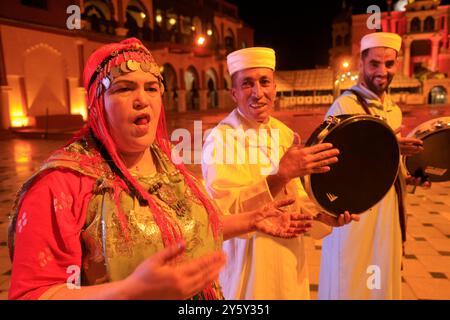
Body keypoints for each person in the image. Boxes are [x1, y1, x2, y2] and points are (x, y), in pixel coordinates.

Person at [7, 38, 313, 300]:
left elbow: (189, 229)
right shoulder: (62, 183)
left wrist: (251, 220)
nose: (142, 100)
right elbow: (34, 292)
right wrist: (130, 290)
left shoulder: (168, 165)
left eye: (152, 88)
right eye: (124, 89)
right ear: (96, 102)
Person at [201, 47, 359, 300]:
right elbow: (224, 214)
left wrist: (323, 215)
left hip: (289, 259)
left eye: (264, 82)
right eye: (247, 84)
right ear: (234, 93)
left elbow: (296, 200)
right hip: (249, 265)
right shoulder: (220, 140)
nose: (258, 93)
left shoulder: (285, 134)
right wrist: (280, 175)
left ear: (275, 87)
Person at [318, 32, 426, 300]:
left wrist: (410, 176)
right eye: (375, 64)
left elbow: (391, 165)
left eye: (389, 64)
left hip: (386, 210)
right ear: (361, 64)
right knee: (351, 278)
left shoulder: (393, 110)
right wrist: (387, 146)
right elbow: (330, 163)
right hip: (354, 212)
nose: (382, 71)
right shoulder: (344, 105)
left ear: (397, 65)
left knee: (381, 275)